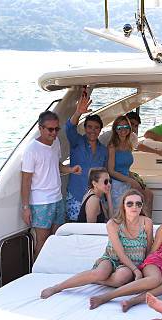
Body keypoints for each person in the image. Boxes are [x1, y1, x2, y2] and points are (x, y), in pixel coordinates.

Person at [88, 192, 162, 310]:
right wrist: (140, 269)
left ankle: (133, 301)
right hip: (155, 263)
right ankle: (107, 296)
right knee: (155, 280)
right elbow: (152, 251)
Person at [40, 189, 153, 299]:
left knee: (122, 276)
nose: (134, 207)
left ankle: (93, 279)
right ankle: (57, 287)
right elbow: (120, 253)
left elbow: (148, 250)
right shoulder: (113, 224)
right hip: (112, 259)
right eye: (130, 204)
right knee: (101, 272)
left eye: (138, 204)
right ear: (123, 205)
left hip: (132, 265)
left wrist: (142, 268)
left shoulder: (147, 222)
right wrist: (136, 271)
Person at [21, 111, 82, 259]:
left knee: (56, 238)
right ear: (40, 128)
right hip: (41, 202)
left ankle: (52, 269)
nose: (54, 133)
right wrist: (25, 208)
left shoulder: (55, 143)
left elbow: (57, 165)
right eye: (50, 129)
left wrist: (70, 169)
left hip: (57, 198)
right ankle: (37, 274)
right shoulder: (31, 150)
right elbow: (26, 180)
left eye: (57, 129)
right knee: (42, 241)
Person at [64, 89, 109, 221]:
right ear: (85, 128)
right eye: (89, 127)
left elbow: (104, 174)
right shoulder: (76, 141)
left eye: (96, 128)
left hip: (96, 197)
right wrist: (78, 112)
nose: (92, 130)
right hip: (76, 195)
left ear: (100, 130)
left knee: (92, 231)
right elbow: (69, 128)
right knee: (75, 229)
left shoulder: (103, 150)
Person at [107, 115, 154, 217]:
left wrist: (133, 178)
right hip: (117, 182)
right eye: (119, 128)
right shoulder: (112, 146)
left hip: (127, 178)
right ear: (115, 130)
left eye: (126, 127)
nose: (123, 130)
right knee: (125, 211)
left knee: (149, 195)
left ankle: (147, 224)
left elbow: (125, 167)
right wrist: (129, 180)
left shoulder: (128, 144)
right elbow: (111, 171)